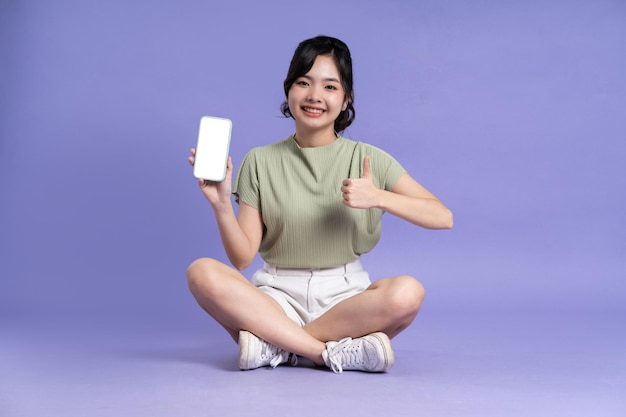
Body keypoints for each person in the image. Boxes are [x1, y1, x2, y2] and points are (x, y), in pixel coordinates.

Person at [186, 35, 453, 374]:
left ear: (345, 100)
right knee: (201, 273)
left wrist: (379, 197)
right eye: (303, 82)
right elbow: (241, 257)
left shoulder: (368, 158)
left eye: (330, 87)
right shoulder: (260, 161)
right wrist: (222, 203)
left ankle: (277, 346)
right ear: (288, 90)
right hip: (276, 296)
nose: (314, 96)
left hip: (345, 299)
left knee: (407, 293)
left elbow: (443, 216)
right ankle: (327, 353)